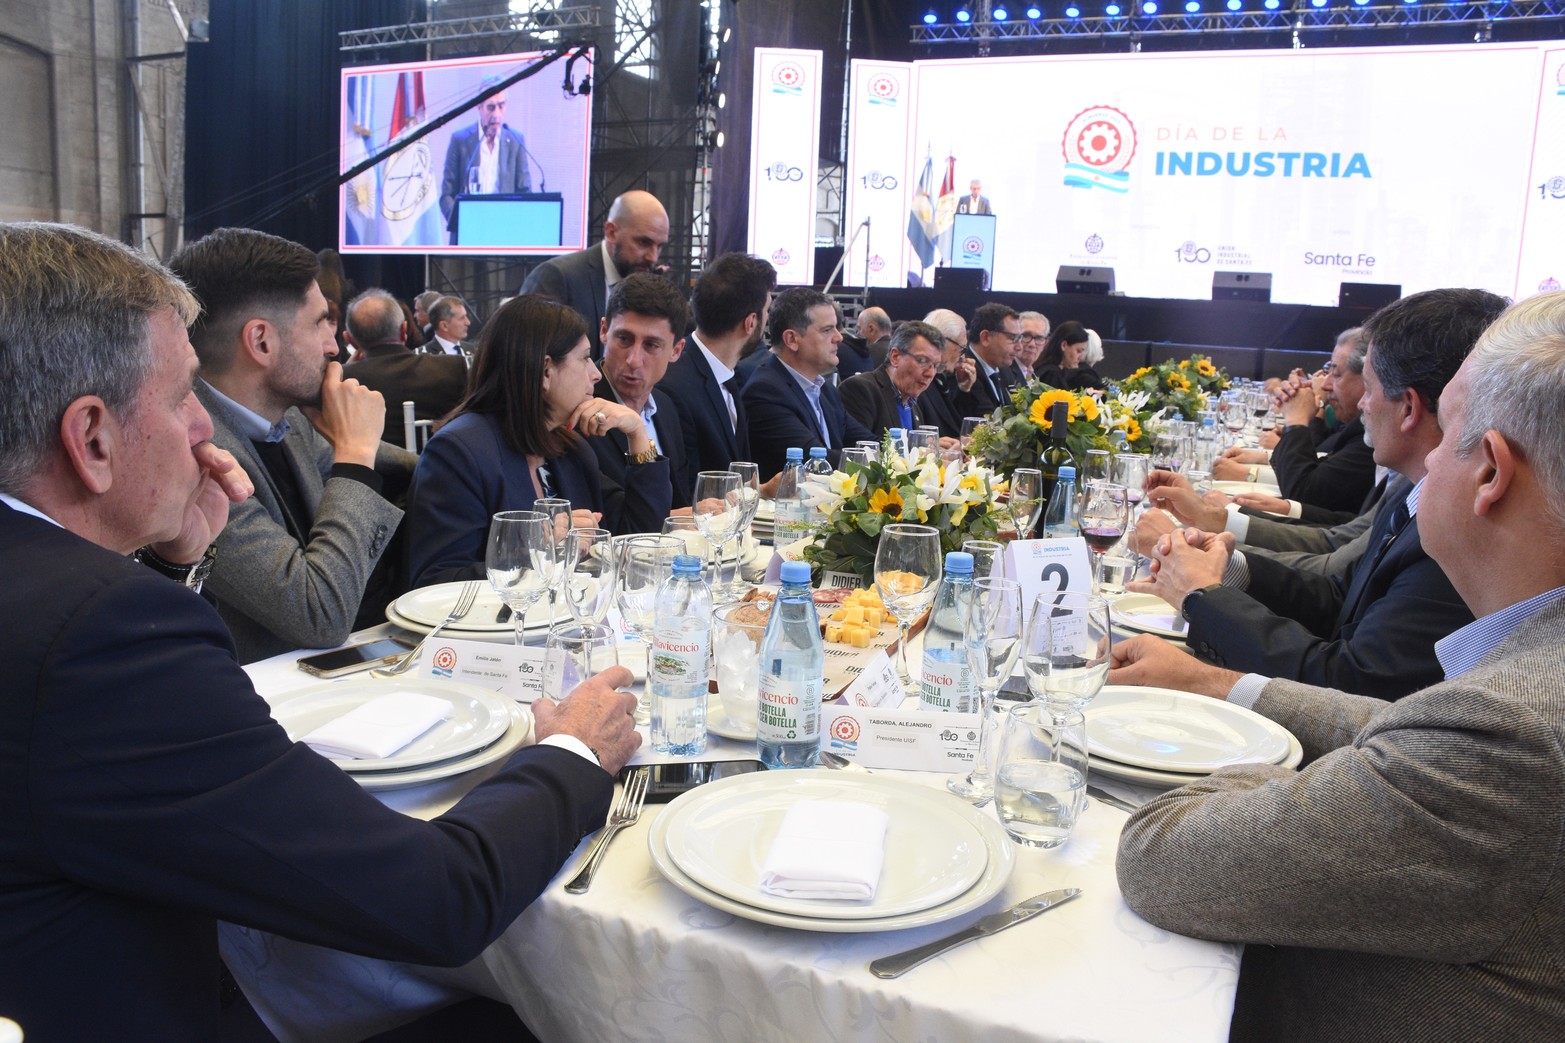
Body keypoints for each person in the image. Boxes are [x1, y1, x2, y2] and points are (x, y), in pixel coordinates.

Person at [0, 221, 641, 1042]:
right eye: (180, 397)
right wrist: (572, 753)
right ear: (92, 437)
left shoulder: (69, 603)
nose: (203, 428)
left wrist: (176, 567)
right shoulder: (100, 636)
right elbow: (436, 899)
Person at [1112, 289, 1565, 1041]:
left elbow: (1160, 857)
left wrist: (1266, 768)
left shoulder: (1507, 737)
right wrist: (1217, 683)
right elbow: (1405, 728)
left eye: (1446, 429)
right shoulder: (1516, 693)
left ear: (1488, 471)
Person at [1123, 288, 1506, 699]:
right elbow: (1341, 594)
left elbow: (1353, 682)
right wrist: (1223, 565)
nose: (1361, 405)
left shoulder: (1462, 522)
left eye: (1370, 387)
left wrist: (1203, 599)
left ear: (1410, 407)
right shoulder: (1414, 490)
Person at [168, 228, 418, 663]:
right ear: (262, 341)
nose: (335, 346)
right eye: (320, 322)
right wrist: (355, 455)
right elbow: (318, 613)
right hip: (263, 705)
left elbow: (406, 471)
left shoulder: (289, 420)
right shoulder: (196, 458)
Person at [405, 295, 671, 586]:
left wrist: (637, 433)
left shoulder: (569, 448)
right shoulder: (459, 451)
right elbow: (435, 581)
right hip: (500, 628)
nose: (595, 373)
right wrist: (538, 546)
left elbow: (637, 539)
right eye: (584, 358)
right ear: (545, 370)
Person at [1214, 328, 1376, 515]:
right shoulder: (1357, 424)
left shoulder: (1373, 437)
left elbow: (1304, 492)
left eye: (1337, 374)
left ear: (1369, 378)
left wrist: (1297, 422)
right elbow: (1325, 461)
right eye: (1328, 371)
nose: (1325, 384)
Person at [660, 251, 775, 479]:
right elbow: (688, 493)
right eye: (767, 311)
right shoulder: (676, 388)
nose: (767, 319)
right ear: (751, 322)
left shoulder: (726, 375)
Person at [741, 287, 875, 479]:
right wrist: (881, 463)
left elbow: (866, 442)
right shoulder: (765, 392)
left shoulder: (825, 389)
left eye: (836, 327)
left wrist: (914, 452)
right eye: (827, 330)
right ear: (791, 339)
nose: (839, 337)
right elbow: (816, 462)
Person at [518, 190, 669, 358]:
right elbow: (529, 360)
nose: (653, 257)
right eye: (643, 242)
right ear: (611, 232)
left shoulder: (648, 284)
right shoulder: (557, 277)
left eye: (660, 246)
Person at [590, 273, 693, 509]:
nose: (634, 360)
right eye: (624, 339)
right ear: (604, 330)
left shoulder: (667, 407)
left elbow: (678, 500)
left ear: (676, 350)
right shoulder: (580, 409)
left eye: (651, 345)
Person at [342, 289, 468, 445]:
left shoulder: (344, 381)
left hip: (372, 468)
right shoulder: (452, 368)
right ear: (404, 330)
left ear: (351, 340)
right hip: (443, 466)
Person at [439, 89, 532, 242]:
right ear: (479, 107)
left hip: (504, 235)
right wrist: (460, 222)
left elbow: (525, 192)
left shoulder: (516, 140)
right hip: (467, 234)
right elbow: (446, 196)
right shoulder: (460, 140)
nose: (496, 114)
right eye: (491, 107)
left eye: (501, 106)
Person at [840, 320, 947, 439]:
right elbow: (861, 448)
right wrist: (919, 448)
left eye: (936, 366)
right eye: (922, 361)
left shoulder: (913, 403)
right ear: (895, 357)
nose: (930, 373)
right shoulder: (861, 389)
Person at [951, 301, 1023, 417]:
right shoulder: (964, 370)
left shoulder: (1005, 370)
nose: (1019, 347)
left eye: (1020, 338)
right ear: (985, 337)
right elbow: (985, 419)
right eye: (1013, 338)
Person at [918, 307, 979, 437]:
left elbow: (957, 424)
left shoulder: (942, 376)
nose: (963, 357)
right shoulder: (918, 379)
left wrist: (964, 389)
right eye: (962, 348)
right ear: (943, 341)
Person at [1033, 320, 1101, 390]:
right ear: (1064, 345)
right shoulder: (1051, 374)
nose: (1080, 357)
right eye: (1078, 351)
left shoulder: (1048, 370)